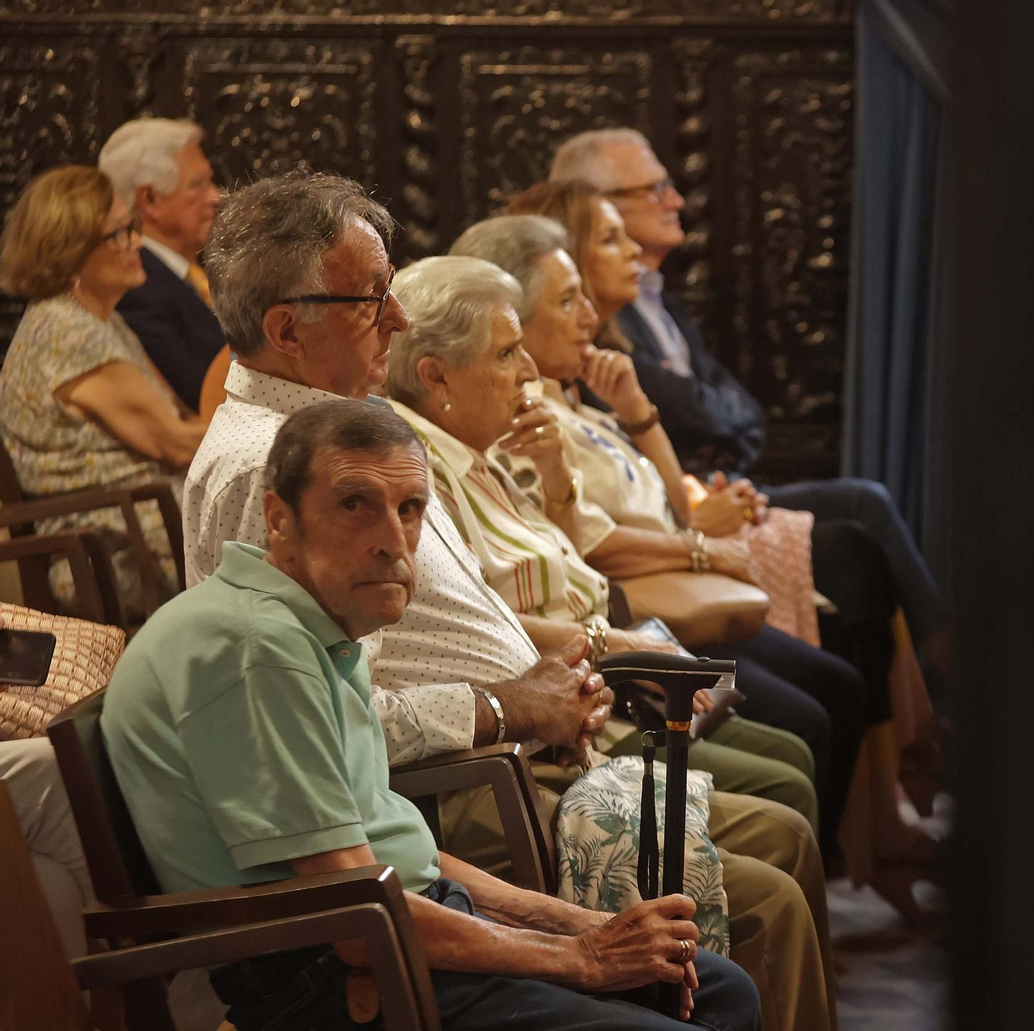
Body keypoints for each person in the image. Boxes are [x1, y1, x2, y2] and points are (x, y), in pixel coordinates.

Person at [184, 171, 837, 1031]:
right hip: (465, 789)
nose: (398, 316)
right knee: (765, 897)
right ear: (285, 329)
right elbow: (341, 726)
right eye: (372, 297)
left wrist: (554, 660)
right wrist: (506, 706)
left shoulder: (333, 430)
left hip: (497, 767)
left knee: (776, 837)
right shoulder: (273, 469)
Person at [105, 398, 761, 1030]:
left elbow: (404, 853)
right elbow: (351, 917)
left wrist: (580, 924)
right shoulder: (258, 645)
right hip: (332, 976)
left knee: (719, 984)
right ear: (278, 519)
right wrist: (584, 958)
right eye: (355, 504)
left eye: (410, 508)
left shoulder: (315, 623)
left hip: (399, 924)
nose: (394, 541)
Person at [449, 209, 867, 863]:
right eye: (568, 298)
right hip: (617, 642)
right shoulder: (504, 430)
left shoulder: (566, 412)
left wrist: (640, 418)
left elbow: (660, 513)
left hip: (630, 635)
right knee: (806, 730)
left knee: (848, 604)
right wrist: (698, 547)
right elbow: (576, 562)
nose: (588, 313)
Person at [548, 128, 953, 686]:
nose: (677, 200)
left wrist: (688, 483)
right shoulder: (588, 365)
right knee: (856, 540)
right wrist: (694, 536)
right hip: (678, 534)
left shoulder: (652, 303)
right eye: (655, 188)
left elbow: (730, 408)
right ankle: (932, 694)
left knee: (863, 517)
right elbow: (606, 512)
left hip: (702, 506)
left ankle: (921, 709)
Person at [0, 165, 207, 618]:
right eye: (118, 234)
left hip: (143, 525)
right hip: (117, 547)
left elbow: (178, 426)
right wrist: (283, 426)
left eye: (131, 227)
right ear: (70, 252)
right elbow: (174, 443)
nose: (136, 242)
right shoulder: (67, 333)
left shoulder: (97, 319)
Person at [98, 117, 226, 412]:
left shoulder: (201, 269)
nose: (215, 196)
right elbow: (203, 396)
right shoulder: (137, 287)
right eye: (198, 185)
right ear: (151, 200)